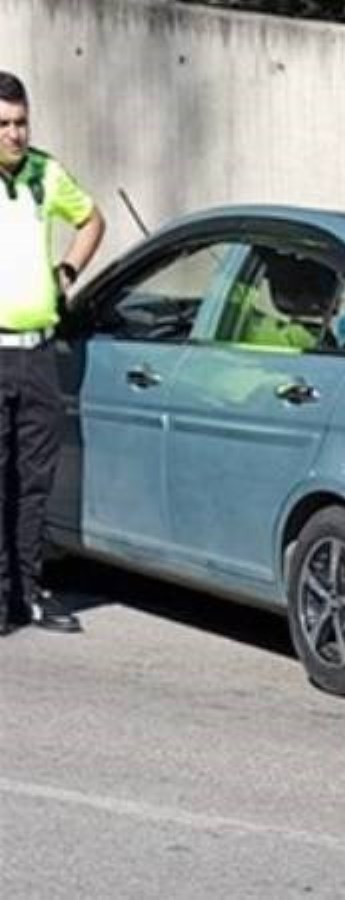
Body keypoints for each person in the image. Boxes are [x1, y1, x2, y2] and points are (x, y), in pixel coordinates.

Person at [0, 71, 105, 635]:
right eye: (4, 125)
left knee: (34, 478)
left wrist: (65, 270)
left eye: (21, 122)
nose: (15, 135)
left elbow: (92, 219)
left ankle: (28, 592)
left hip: (37, 353)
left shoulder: (46, 173)